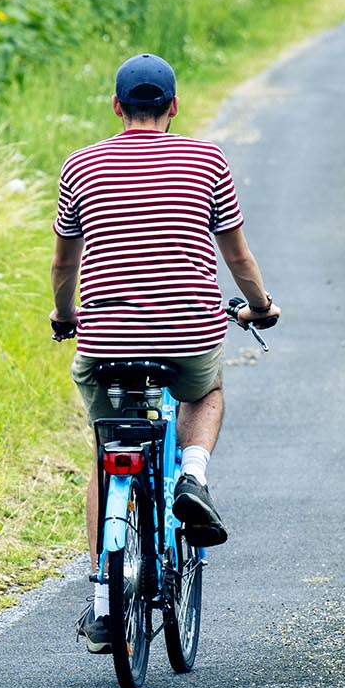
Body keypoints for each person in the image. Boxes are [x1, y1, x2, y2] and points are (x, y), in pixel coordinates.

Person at [51, 53, 278, 652]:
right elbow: (236, 255)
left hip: (102, 343)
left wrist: (65, 314)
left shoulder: (80, 166)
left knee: (108, 448)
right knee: (204, 394)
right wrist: (259, 303)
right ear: (174, 106)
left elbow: (63, 264)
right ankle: (194, 477)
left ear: (117, 106)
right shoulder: (207, 160)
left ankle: (103, 601)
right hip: (188, 338)